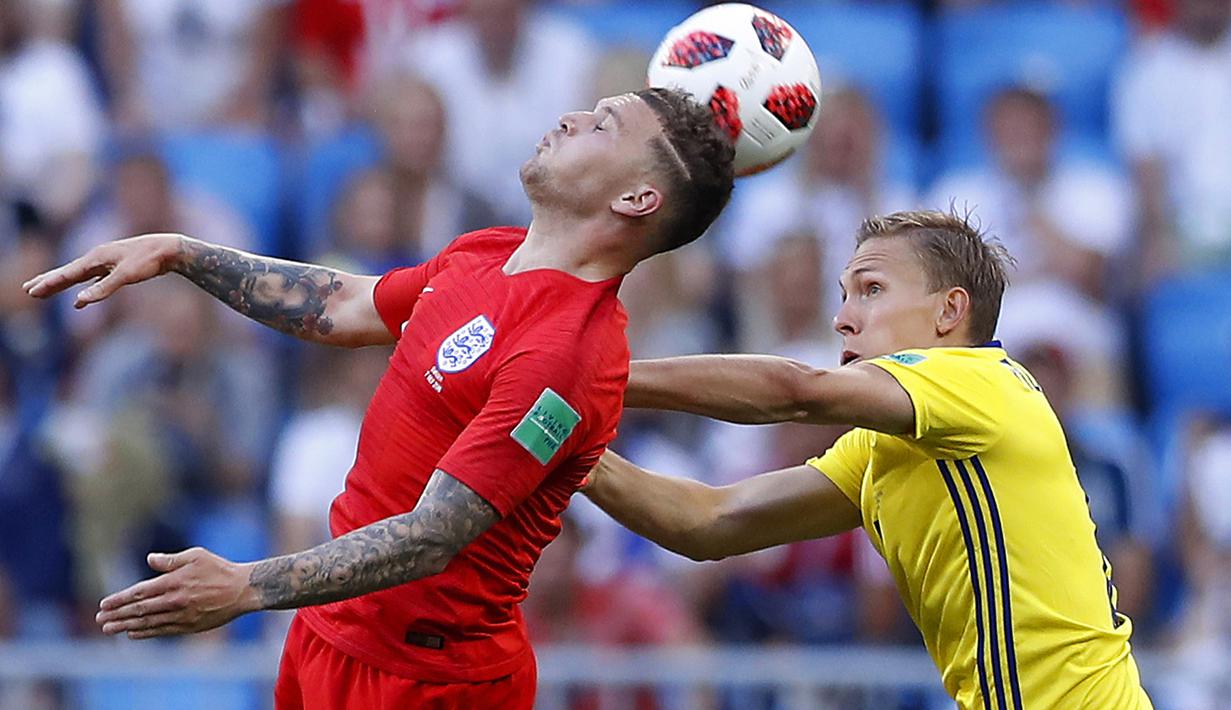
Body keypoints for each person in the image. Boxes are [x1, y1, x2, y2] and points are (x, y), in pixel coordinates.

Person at [24, 86, 734, 708]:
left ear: (637, 198)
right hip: (330, 634)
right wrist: (182, 253)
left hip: (423, 678)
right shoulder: (489, 250)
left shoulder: (568, 354)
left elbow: (433, 536)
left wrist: (248, 586)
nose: (573, 116)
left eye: (603, 125)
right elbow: (350, 305)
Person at [583, 210, 1153, 709]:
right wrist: (565, 437)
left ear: (950, 311)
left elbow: (798, 391)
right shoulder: (882, 448)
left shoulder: (984, 381)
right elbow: (711, 522)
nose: (843, 318)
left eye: (872, 289)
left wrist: (595, 378)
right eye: (845, 294)